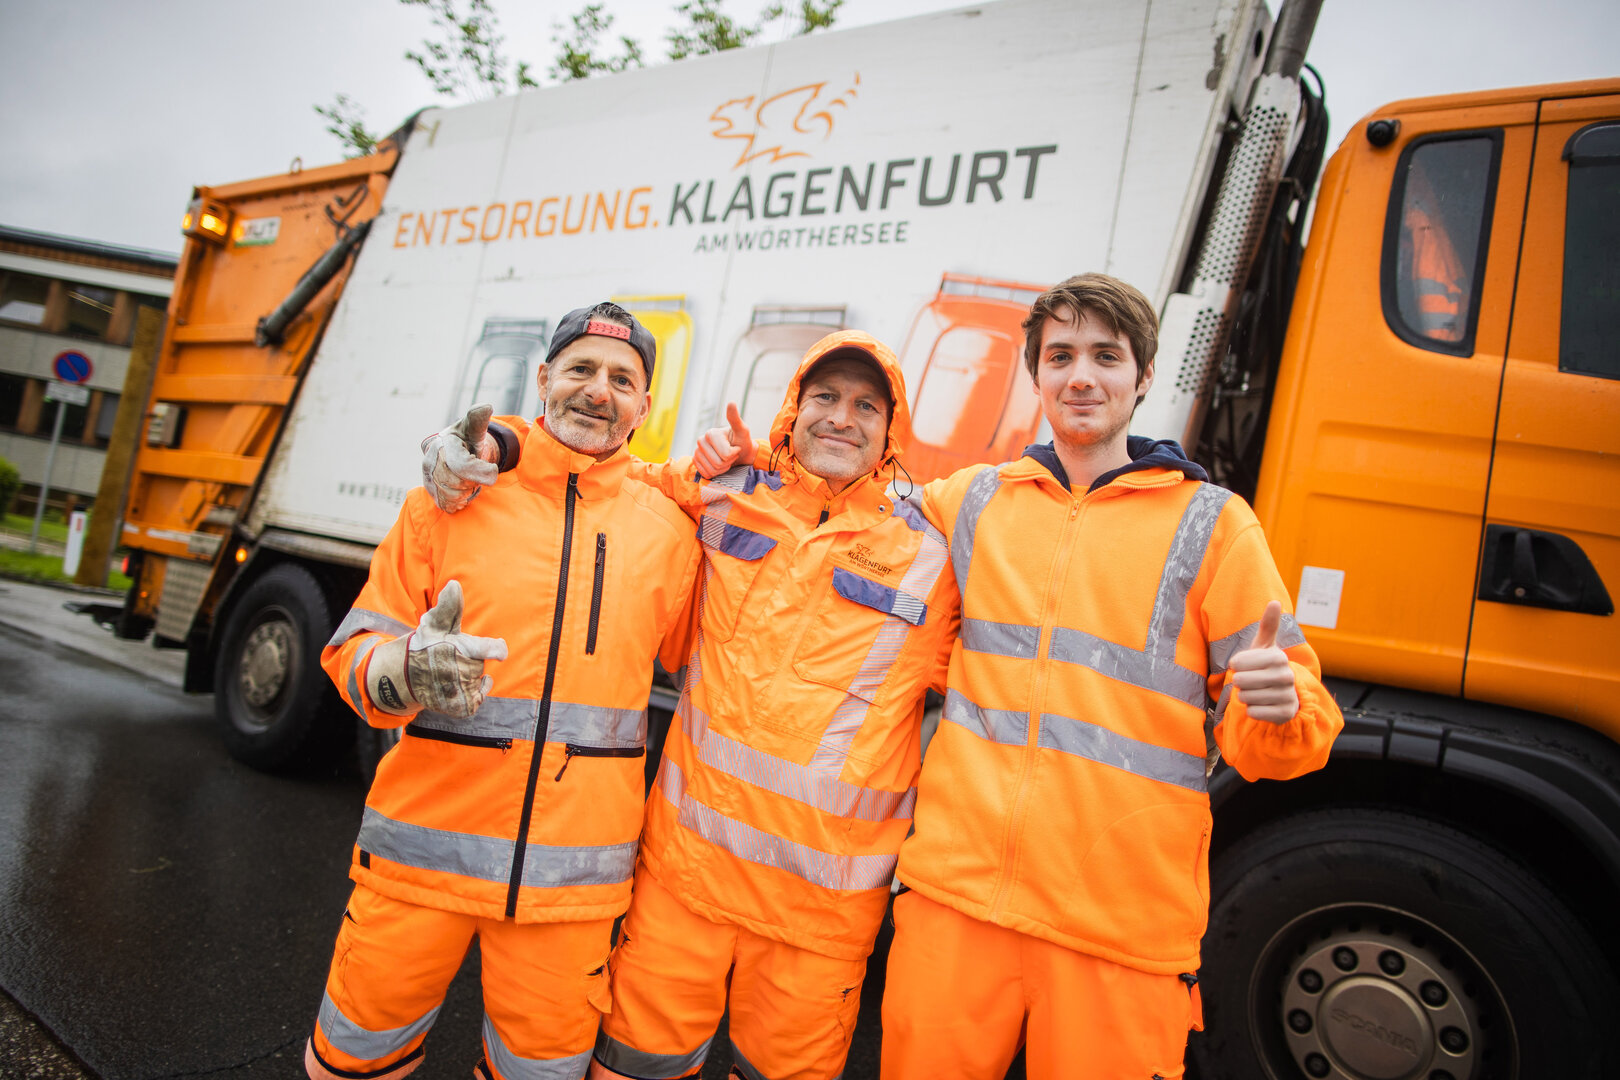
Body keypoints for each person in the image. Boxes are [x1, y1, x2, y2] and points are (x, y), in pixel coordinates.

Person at [422, 331, 958, 1080]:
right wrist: (498, 444)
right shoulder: (727, 496)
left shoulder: (934, 557)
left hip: (819, 920)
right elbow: (598, 470)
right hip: (683, 886)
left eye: (867, 405)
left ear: (892, 430)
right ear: (792, 410)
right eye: (826, 397)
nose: (842, 417)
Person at [878, 272, 1345, 1078]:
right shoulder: (974, 501)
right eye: (1060, 356)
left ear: (1144, 376)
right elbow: (844, 512)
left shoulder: (1214, 525)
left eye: (1106, 355)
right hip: (957, 906)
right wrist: (746, 462)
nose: (1081, 376)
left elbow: (1283, 744)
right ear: (1036, 374)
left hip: (1119, 934)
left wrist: (1281, 705)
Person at [307, 302, 702, 1080]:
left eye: (622, 379)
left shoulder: (672, 531)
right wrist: (401, 670)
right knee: (355, 1063)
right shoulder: (452, 495)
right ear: (543, 377)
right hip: (418, 863)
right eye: (581, 369)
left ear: (646, 406)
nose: (599, 391)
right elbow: (352, 650)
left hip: (572, 891)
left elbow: (717, 660)